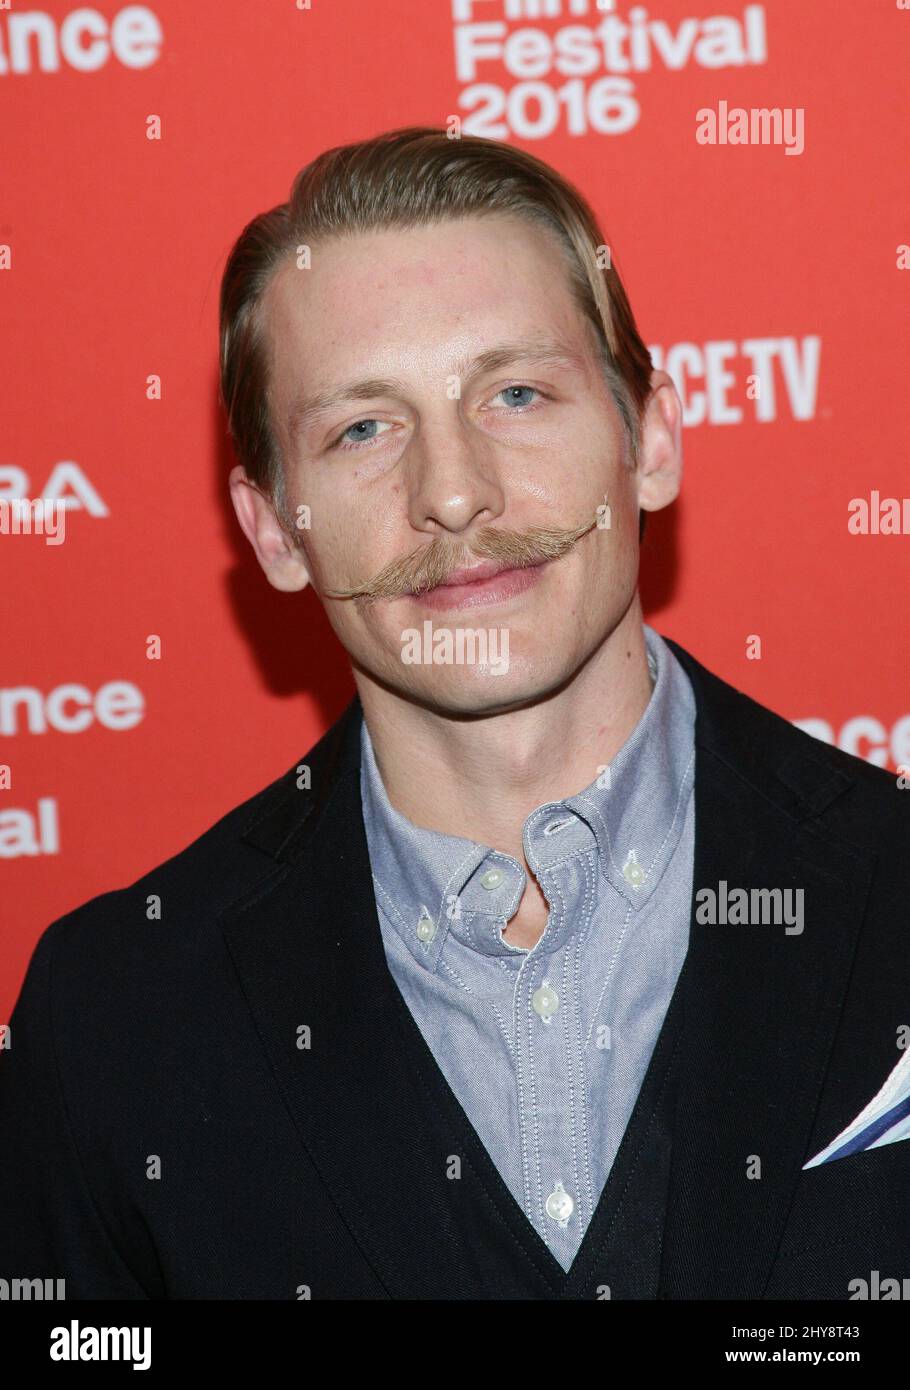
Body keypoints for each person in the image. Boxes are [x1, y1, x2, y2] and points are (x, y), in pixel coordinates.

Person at [2, 127, 908, 1301]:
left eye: (516, 392)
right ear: (276, 529)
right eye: (362, 429)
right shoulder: (115, 1020)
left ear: (654, 437)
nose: (452, 491)